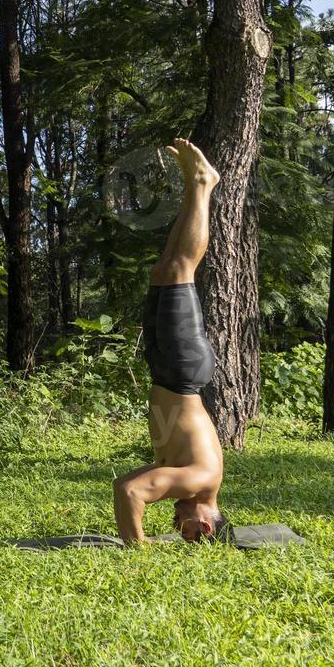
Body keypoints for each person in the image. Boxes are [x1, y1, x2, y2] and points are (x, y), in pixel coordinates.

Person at [113, 138, 228, 545]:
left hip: (170, 371)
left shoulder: (193, 481)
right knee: (181, 269)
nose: (178, 525)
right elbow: (128, 491)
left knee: (164, 270)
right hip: (182, 371)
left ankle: (192, 188)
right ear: (207, 523)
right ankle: (204, 183)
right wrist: (138, 548)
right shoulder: (200, 478)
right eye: (188, 531)